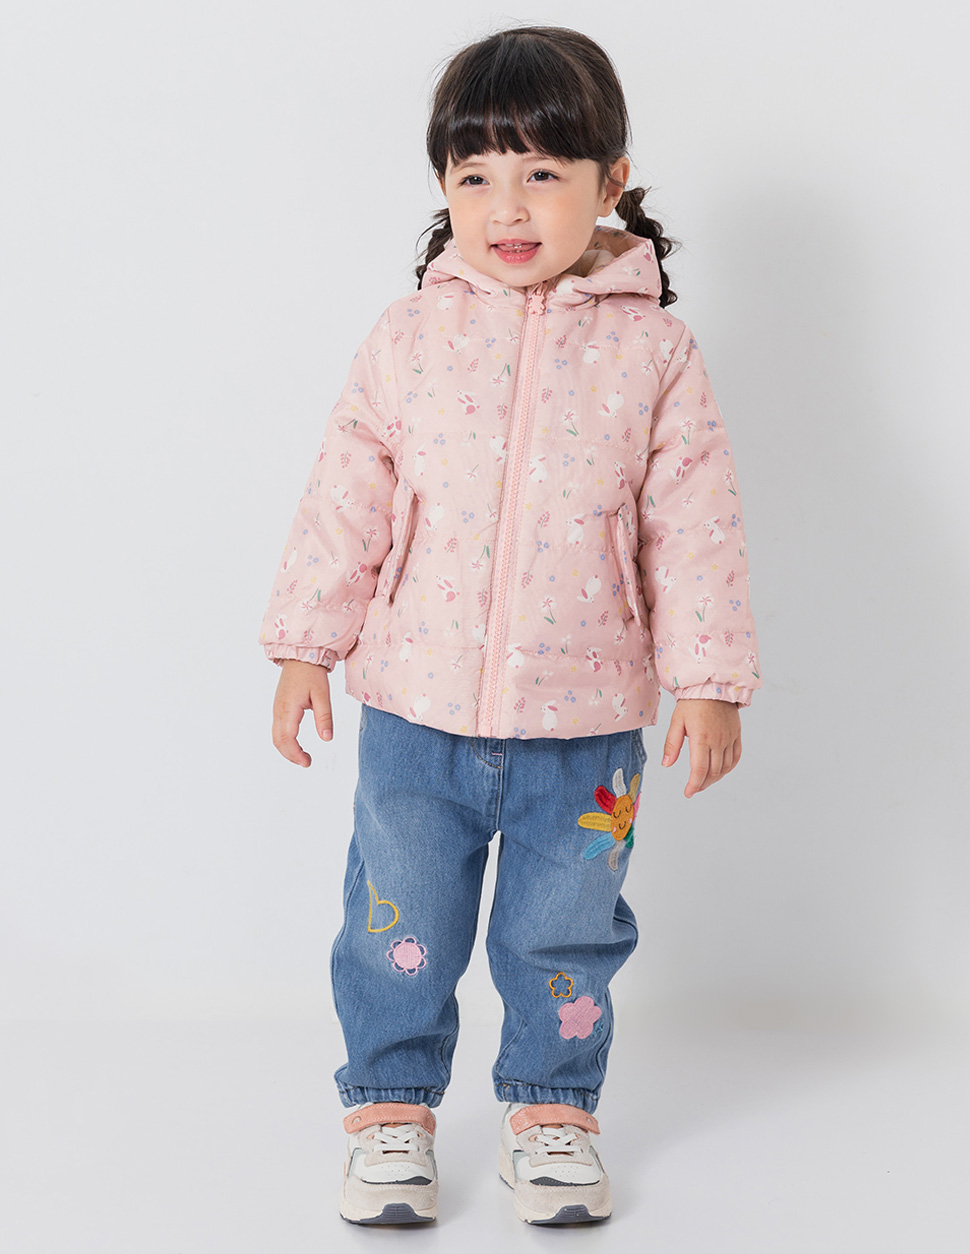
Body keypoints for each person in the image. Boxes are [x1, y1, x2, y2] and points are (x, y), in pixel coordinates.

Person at [259, 23, 761, 1227]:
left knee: (562, 934)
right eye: (476, 174)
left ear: (610, 180)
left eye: (542, 170)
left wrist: (708, 680)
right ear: (443, 185)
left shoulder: (655, 351)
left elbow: (692, 523)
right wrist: (304, 646)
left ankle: (551, 1112)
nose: (509, 205)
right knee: (397, 924)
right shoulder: (408, 338)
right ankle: (390, 1111)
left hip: (584, 725)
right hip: (415, 712)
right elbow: (346, 496)